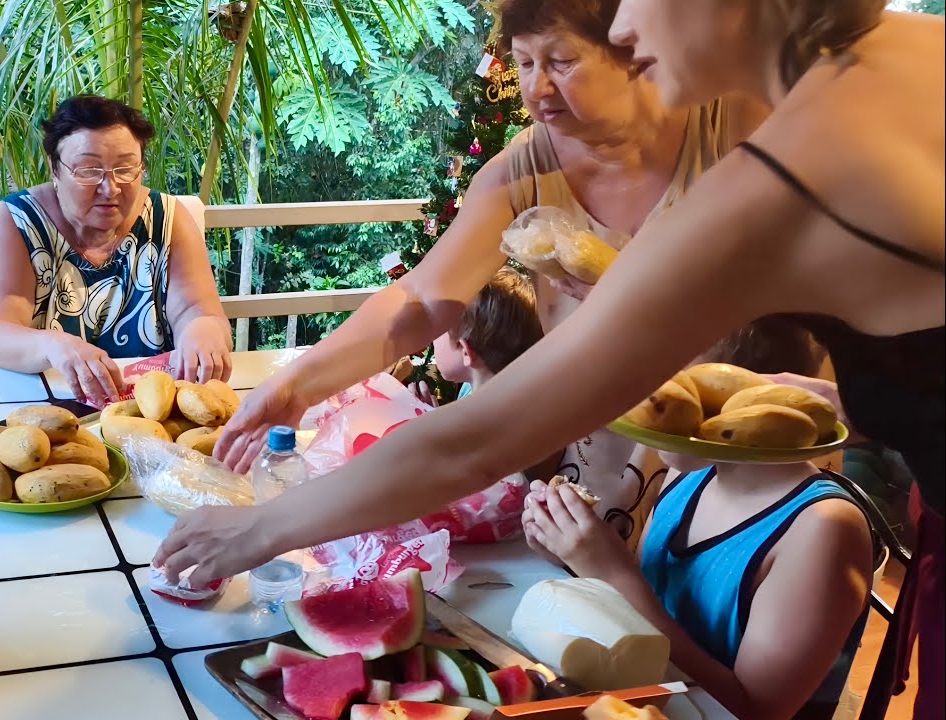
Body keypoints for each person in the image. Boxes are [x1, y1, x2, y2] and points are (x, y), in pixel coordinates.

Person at [156, 2, 942, 716]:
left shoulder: (773, 173)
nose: (625, 27)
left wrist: (260, 528)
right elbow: (426, 303)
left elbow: (479, 437)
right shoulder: (904, 56)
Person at [214, 0, 768, 540]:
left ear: (632, 47)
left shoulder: (737, 125)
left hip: (751, 447)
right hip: (607, 459)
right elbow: (423, 300)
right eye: (525, 62)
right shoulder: (522, 169)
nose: (537, 88)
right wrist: (297, 384)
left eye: (561, 61)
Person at [523, 320, 874, 719]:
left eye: (680, 401)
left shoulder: (822, 530)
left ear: (748, 407)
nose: (649, 416)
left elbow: (755, 710)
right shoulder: (691, 473)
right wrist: (569, 548)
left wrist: (612, 573)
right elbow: (650, 607)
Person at [0, 95, 232, 406]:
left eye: (125, 169)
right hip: (41, 409)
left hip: (150, 410)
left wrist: (203, 331)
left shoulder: (167, 218)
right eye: (89, 170)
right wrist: (54, 347)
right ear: (55, 168)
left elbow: (197, 311)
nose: (111, 188)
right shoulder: (18, 221)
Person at [412, 266, 545, 406]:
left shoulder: (481, 419)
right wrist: (432, 414)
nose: (432, 339)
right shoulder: (471, 389)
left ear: (465, 352)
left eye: (439, 331)